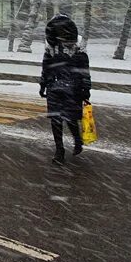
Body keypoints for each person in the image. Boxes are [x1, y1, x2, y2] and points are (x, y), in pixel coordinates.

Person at [39, 14, 91, 166]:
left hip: (73, 89)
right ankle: (59, 150)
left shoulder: (78, 46)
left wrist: (85, 90)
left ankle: (77, 140)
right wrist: (43, 84)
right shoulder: (51, 46)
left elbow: (84, 70)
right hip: (54, 87)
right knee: (56, 120)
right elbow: (46, 66)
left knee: (71, 118)